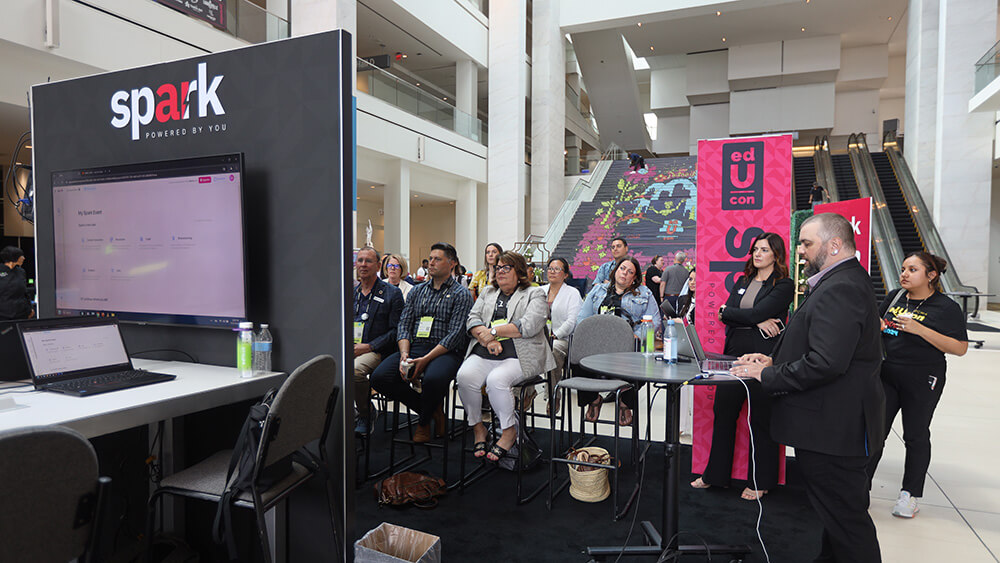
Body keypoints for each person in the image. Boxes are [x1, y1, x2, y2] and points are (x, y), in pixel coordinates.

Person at [733, 213, 884, 563]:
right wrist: (774, 361)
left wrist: (766, 377)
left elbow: (827, 363)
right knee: (838, 520)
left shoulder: (841, 286)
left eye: (806, 243)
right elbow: (824, 348)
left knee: (848, 524)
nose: (799, 250)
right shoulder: (841, 280)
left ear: (834, 245)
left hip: (834, 429)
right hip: (834, 425)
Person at [691, 233, 793, 500]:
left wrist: (741, 315)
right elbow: (724, 313)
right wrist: (754, 319)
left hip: (763, 359)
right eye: (755, 249)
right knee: (723, 413)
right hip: (733, 357)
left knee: (761, 419)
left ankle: (761, 481)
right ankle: (715, 475)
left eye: (764, 250)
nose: (757, 254)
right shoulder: (742, 281)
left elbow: (737, 312)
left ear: (776, 255)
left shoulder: (784, 285)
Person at [866, 252, 968, 519]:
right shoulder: (895, 297)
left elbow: (960, 348)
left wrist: (920, 329)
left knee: (915, 434)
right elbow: (880, 325)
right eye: (902, 269)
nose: (904, 274)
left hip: (923, 377)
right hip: (887, 374)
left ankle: (909, 494)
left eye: (912, 269)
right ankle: (860, 487)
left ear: (931, 275)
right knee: (875, 431)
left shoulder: (945, 308)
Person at [457, 251, 555, 462]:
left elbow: (529, 325)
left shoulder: (534, 293)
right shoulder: (488, 292)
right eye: (497, 268)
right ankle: (478, 428)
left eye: (505, 268)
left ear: (518, 272)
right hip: (485, 351)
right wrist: (488, 340)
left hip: (519, 356)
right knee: (464, 377)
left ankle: (509, 431)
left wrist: (493, 332)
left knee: (496, 381)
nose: (499, 271)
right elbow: (472, 319)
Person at [370, 243, 474, 443]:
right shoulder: (418, 291)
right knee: (380, 377)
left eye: (437, 259)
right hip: (415, 346)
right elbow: (404, 324)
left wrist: (425, 360)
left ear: (451, 264)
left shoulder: (461, 294)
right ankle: (432, 410)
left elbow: (455, 335)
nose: (431, 263)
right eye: (430, 258)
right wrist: (404, 354)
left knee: (432, 379)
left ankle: (424, 422)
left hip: (446, 351)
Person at [578, 256, 661, 425]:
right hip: (597, 345)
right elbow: (582, 319)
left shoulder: (645, 293)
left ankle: (625, 401)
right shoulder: (598, 290)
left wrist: (638, 335)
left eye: (630, 272)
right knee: (577, 356)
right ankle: (593, 398)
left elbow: (655, 320)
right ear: (615, 271)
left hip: (628, 347)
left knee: (638, 361)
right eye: (622, 268)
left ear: (635, 278)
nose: (625, 273)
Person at [352, 247, 405, 435]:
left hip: (377, 350)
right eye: (360, 261)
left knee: (354, 371)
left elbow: (397, 330)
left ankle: (366, 413)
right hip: (352, 348)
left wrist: (369, 346)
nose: (363, 265)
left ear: (378, 265)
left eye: (368, 261)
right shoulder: (352, 292)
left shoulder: (392, 293)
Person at [540, 257, 582, 414]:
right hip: (539, 338)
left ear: (565, 274)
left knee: (553, 349)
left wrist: (555, 336)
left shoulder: (572, 293)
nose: (552, 272)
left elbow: (572, 321)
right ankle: (526, 393)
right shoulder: (539, 291)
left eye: (557, 269)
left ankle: (553, 395)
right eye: (550, 268)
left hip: (563, 340)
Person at [0, 246, 32, 321]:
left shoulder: (21, 272)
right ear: (14, 257)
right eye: (21, 256)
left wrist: (30, 309)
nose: (24, 258)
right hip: (3, 316)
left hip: (21, 314)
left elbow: (25, 292)